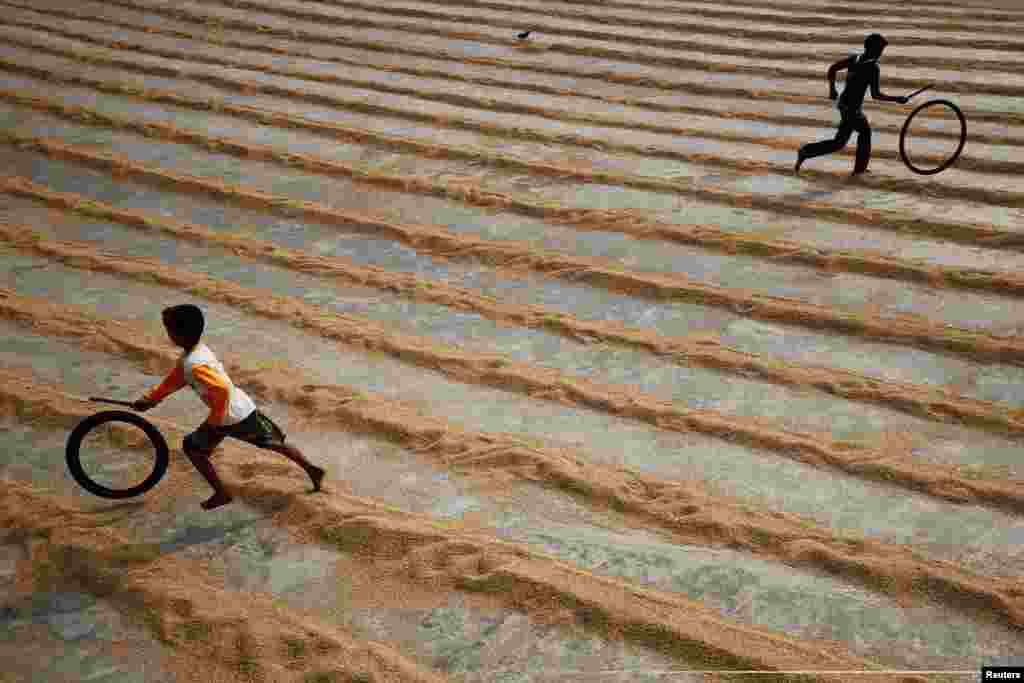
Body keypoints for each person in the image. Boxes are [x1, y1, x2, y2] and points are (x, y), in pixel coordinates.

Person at [134, 304, 324, 510]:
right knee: (274, 442)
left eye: (169, 330)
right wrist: (150, 399)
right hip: (242, 407)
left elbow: (222, 389)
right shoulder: (196, 352)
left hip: (227, 416)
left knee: (193, 448)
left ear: (179, 335)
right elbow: (175, 380)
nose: (168, 334)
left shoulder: (194, 364)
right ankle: (311, 469)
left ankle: (221, 493)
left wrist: (214, 423)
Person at [795, 33, 908, 176]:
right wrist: (897, 99)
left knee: (839, 143)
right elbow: (876, 95)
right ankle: (859, 171)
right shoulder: (873, 67)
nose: (880, 54)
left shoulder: (855, 59)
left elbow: (833, 68)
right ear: (873, 49)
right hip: (853, 109)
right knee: (865, 132)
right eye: (880, 50)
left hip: (843, 104)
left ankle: (805, 151)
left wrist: (832, 89)